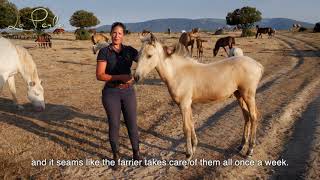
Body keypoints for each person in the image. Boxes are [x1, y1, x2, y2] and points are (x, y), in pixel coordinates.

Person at [96, 22, 141, 169]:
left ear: (123, 35)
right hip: (111, 92)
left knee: (132, 123)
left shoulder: (129, 51)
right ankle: (116, 156)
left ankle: (136, 154)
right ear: (110, 34)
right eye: (114, 33)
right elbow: (100, 75)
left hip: (128, 91)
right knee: (114, 124)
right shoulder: (104, 52)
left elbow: (146, 60)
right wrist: (120, 77)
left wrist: (136, 76)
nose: (117, 36)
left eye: (120, 33)